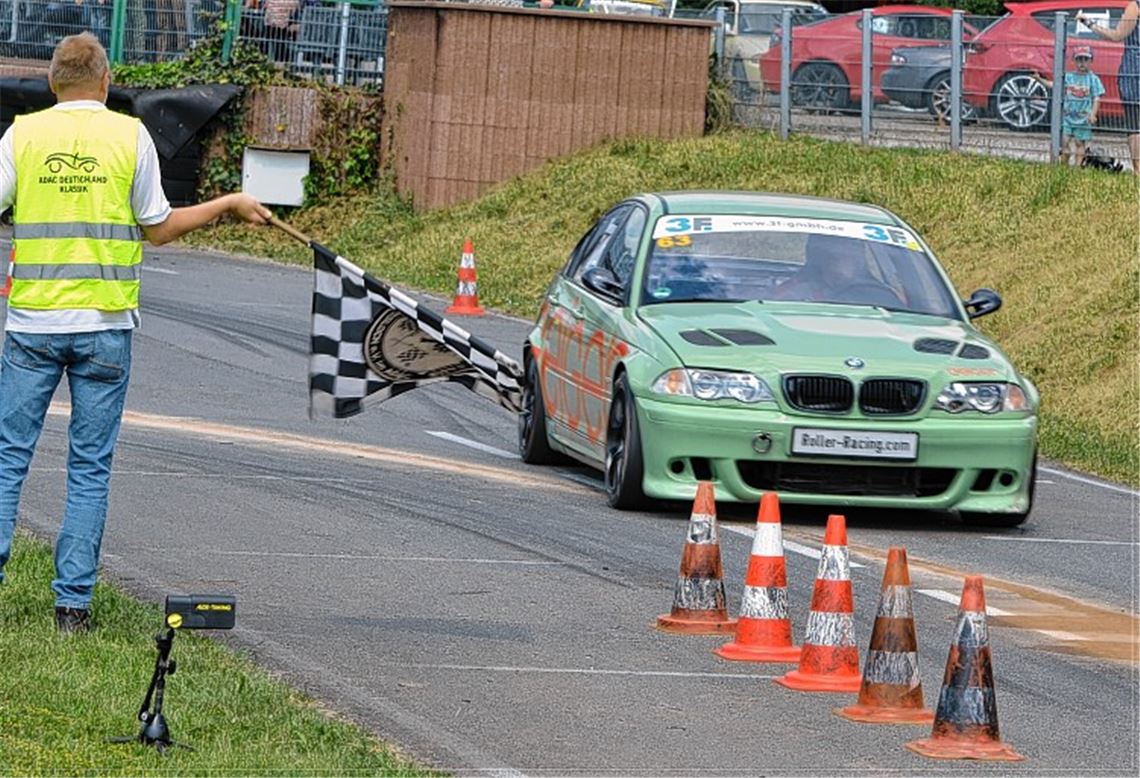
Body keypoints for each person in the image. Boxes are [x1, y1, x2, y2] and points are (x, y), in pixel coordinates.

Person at [0, 33, 272, 634]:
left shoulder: (22, 135)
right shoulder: (130, 136)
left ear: (51, 82)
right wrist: (227, 202)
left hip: (33, 326)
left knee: (8, 461)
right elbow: (160, 228)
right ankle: (72, 607)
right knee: (89, 468)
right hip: (105, 328)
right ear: (104, 81)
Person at [1078, 5, 1140, 174]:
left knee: (1135, 124)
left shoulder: (1135, 7)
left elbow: (1117, 35)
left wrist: (1090, 24)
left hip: (1135, 73)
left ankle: (1138, 171)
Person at [1035, 46, 1105, 167]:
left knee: (1079, 143)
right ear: (1074, 61)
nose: (1082, 63)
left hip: (1083, 119)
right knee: (1064, 142)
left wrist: (1093, 114)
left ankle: (1077, 167)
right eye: (1079, 59)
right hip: (1067, 117)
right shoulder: (1068, 77)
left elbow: (1096, 98)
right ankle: (1063, 166)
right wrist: (1039, 79)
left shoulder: (1093, 79)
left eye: (1085, 59)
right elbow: (1054, 85)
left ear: (1090, 61)